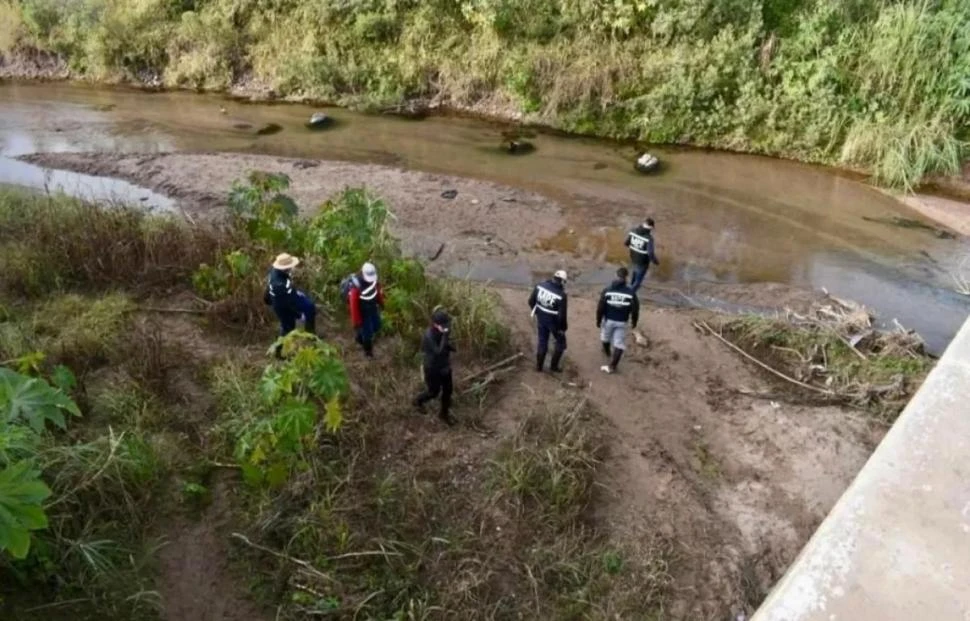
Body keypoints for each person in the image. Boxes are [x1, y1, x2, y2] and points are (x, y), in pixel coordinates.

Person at [265, 253, 317, 355]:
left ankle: (311, 336)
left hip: (287, 297)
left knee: (310, 307)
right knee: (287, 327)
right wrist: (298, 315)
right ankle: (279, 352)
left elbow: (269, 290)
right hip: (282, 305)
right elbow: (287, 303)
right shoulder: (279, 284)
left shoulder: (274, 272)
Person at [413, 309, 456, 426]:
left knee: (448, 390)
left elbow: (445, 345)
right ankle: (418, 401)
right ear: (436, 325)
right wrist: (446, 336)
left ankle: (444, 414)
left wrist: (451, 346)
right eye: (444, 325)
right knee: (434, 392)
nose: (447, 327)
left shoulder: (442, 330)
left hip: (444, 366)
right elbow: (438, 351)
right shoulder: (428, 336)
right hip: (432, 368)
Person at [596, 267, 640, 374]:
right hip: (622, 322)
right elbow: (635, 309)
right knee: (619, 344)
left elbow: (600, 307)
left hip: (608, 321)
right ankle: (612, 367)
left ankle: (607, 353)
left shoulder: (607, 290)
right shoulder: (631, 293)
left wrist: (598, 320)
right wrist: (634, 322)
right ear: (626, 278)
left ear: (616, 276)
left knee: (605, 339)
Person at [527, 269, 569, 373]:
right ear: (563, 281)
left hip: (541, 319)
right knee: (561, 343)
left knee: (542, 342)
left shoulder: (540, 285)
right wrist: (562, 328)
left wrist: (537, 312)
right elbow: (562, 316)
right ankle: (553, 367)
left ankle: (539, 367)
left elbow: (530, 301)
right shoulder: (561, 295)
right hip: (554, 322)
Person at [347, 262, 384, 358]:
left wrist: (381, 303)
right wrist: (356, 322)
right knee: (367, 333)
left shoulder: (374, 281)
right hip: (363, 312)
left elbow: (377, 292)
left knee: (377, 326)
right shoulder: (356, 288)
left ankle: (359, 338)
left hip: (373, 308)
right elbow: (353, 307)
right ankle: (368, 352)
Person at [624, 217, 659, 292]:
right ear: (651, 228)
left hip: (633, 257)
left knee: (634, 273)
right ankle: (630, 294)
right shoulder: (649, 238)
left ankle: (631, 286)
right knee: (638, 281)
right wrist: (655, 261)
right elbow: (650, 253)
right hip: (642, 262)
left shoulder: (633, 231)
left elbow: (626, 243)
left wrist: (635, 247)